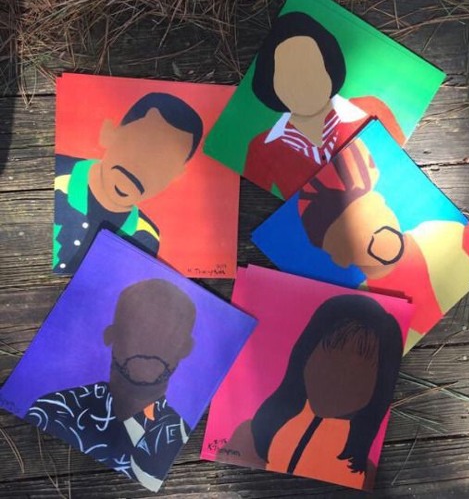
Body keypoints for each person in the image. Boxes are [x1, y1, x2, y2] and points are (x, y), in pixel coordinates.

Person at [299, 139, 469, 352]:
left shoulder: (450, 235)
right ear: (340, 257)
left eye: (375, 209)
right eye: (354, 235)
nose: (376, 228)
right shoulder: (363, 313)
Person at [26, 279, 196, 492]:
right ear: (111, 336)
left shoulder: (182, 439)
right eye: (137, 330)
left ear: (185, 348)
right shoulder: (55, 412)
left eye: (167, 336)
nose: (150, 344)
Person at [218, 295, 403, 491]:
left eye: (357, 371)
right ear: (305, 356)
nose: (336, 379)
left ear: (378, 386)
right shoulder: (249, 434)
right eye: (329, 359)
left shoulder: (363, 473)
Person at [243, 12, 405, 199]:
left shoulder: (371, 110)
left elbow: (405, 172)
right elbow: (254, 200)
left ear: (329, 66)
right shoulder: (261, 148)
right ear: (271, 84)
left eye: (311, 67)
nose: (303, 84)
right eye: (288, 75)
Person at [54, 93, 204, 273]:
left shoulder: (146, 236)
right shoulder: (55, 173)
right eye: (138, 144)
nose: (142, 168)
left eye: (165, 164)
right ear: (109, 133)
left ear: (176, 175)